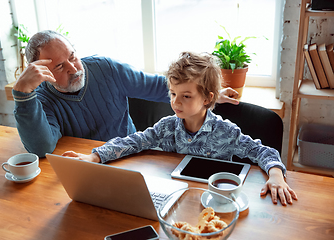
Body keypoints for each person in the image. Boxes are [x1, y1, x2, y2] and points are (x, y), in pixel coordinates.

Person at [63, 51, 298, 206]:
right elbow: (133, 141)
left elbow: (263, 152)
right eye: (173, 94)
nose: (176, 102)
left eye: (186, 96)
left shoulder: (226, 131)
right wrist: (94, 156)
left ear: (207, 99)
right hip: (175, 199)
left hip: (215, 202)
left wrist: (276, 175)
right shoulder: (166, 127)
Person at [12, 30, 239, 158]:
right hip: (86, 162)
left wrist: (206, 94)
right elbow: (42, 148)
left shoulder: (106, 68)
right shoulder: (40, 98)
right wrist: (23, 94)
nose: (73, 69)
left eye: (72, 56)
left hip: (129, 155)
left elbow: (156, 86)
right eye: (60, 67)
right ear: (42, 72)